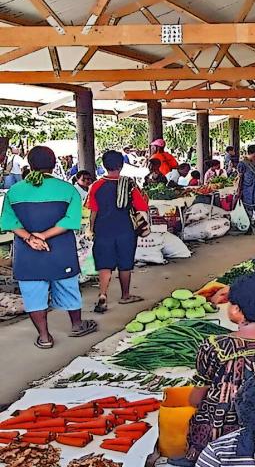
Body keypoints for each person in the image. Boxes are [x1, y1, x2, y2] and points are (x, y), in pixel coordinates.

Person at [181, 274, 255, 464]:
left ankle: (202, 456)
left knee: (202, 410)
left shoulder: (216, 345)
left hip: (225, 433)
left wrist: (196, 402)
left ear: (237, 309)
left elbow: (198, 395)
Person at [0, 146, 98, 348]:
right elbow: (71, 220)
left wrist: (30, 239)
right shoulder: (67, 189)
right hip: (60, 251)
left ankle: (44, 337)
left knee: (33, 293)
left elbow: (8, 221)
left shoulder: (15, 191)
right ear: (54, 165)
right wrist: (44, 235)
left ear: (30, 164)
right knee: (68, 286)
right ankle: (77, 325)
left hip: (28, 253)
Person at [87, 150, 147, 313]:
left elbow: (93, 211)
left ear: (104, 165)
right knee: (125, 263)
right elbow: (142, 206)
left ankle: (103, 294)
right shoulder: (129, 184)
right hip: (125, 229)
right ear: (121, 165)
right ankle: (125, 295)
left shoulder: (96, 185)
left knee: (105, 265)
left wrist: (91, 229)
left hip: (103, 229)